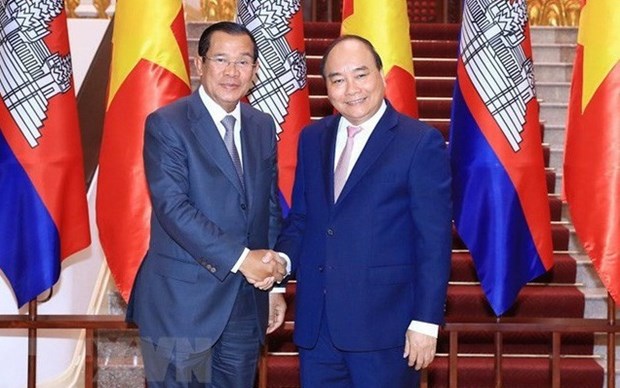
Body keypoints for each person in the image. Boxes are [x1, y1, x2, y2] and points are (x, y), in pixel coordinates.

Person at [275, 35, 452, 387]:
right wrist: (278, 269)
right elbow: (303, 220)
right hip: (318, 329)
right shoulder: (312, 138)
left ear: (381, 76)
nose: (351, 88)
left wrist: (426, 321)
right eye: (337, 79)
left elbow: (433, 240)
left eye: (361, 74)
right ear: (326, 87)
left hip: (386, 331)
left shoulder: (419, 141)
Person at [126, 22, 287, 387]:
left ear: (255, 71)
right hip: (180, 303)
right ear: (200, 65)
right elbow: (174, 208)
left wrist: (274, 285)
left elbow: (268, 210)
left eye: (243, 62)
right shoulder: (168, 123)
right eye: (221, 59)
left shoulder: (262, 126)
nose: (232, 72)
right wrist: (244, 259)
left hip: (245, 304)